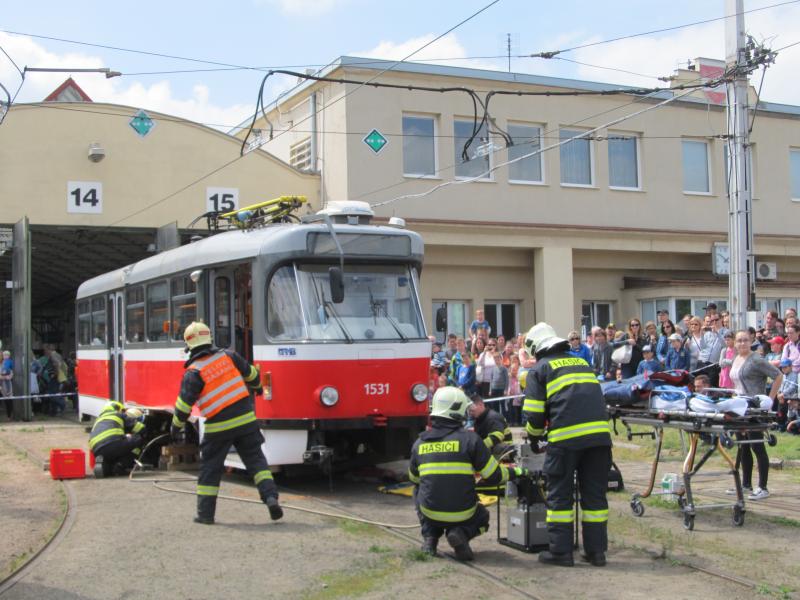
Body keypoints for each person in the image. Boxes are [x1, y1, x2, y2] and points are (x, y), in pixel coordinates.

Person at [171, 321, 282, 524]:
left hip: (218, 428)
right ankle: (271, 498)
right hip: (246, 422)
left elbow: (183, 407)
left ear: (190, 347)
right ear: (209, 339)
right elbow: (253, 376)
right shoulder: (228, 356)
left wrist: (175, 427)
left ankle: (205, 515)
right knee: (257, 462)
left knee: (211, 470)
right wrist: (256, 386)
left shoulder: (193, 372)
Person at [522, 323, 611, 567]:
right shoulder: (582, 363)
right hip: (599, 440)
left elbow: (533, 414)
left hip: (565, 441)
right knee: (594, 497)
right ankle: (596, 552)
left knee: (560, 497)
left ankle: (560, 552)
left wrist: (533, 437)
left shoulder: (540, 369)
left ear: (536, 349)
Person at [409, 386, 526, 560]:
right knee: (482, 517)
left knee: (418, 490)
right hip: (464, 512)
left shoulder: (419, 443)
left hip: (430, 512)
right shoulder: (471, 440)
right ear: (459, 411)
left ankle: (429, 539)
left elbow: (414, 479)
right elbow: (494, 476)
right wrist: (517, 471)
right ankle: (460, 533)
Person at [727, 330, 783, 500]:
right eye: (739, 340)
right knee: (743, 445)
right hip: (738, 407)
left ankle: (763, 487)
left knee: (757, 445)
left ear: (751, 341)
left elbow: (778, 376)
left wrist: (769, 400)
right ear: (735, 343)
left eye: (745, 340)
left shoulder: (756, 359)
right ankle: (746, 485)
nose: (742, 343)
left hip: (753, 408)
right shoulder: (736, 359)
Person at [89, 402, 146, 477]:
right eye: (122, 410)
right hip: (113, 443)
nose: (123, 412)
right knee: (137, 439)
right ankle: (120, 465)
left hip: (96, 449)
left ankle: (104, 465)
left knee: (110, 461)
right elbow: (139, 428)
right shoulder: (118, 414)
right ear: (117, 408)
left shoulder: (99, 419)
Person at [776, 358, 797, 430]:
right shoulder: (783, 376)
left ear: (791, 366)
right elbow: (780, 385)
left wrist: (783, 394)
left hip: (790, 397)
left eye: (785, 367)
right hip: (782, 397)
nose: (783, 369)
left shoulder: (794, 375)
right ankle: (781, 425)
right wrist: (778, 393)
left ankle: (790, 426)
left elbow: (793, 387)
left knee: (790, 413)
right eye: (782, 367)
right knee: (780, 411)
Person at [1, 350, 13, 419]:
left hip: (7, 382)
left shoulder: (10, 362)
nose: (5, 356)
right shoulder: (1, 363)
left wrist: (10, 376)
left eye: (6, 355)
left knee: (9, 398)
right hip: (2, 382)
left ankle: (9, 415)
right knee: (5, 399)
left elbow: (12, 371)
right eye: (4, 355)